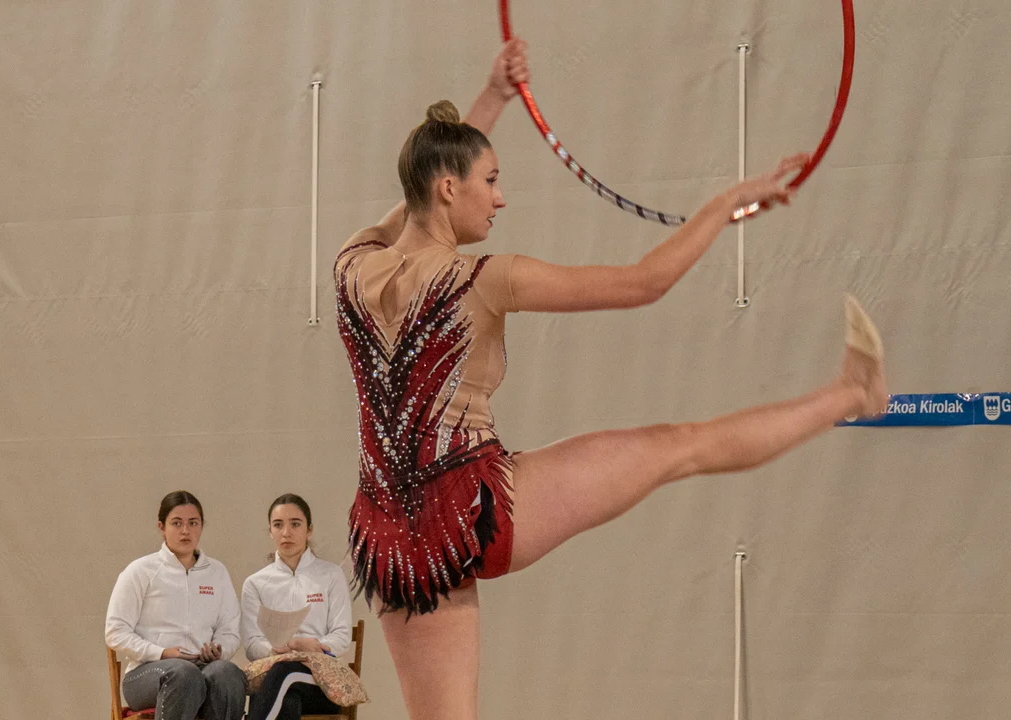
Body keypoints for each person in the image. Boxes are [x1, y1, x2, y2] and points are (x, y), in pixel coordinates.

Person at [333, 38, 889, 720]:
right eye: (491, 180)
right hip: (474, 506)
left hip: (392, 538)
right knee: (679, 446)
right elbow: (643, 283)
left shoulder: (353, 264)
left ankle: (851, 392)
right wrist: (725, 205)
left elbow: (415, 197)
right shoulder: (485, 279)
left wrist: (496, 96)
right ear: (451, 187)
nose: (500, 198)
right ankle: (852, 392)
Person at [104, 491, 245, 720]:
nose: (185, 530)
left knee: (227, 673)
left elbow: (229, 630)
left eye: (193, 523)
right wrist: (162, 653)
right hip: (148, 672)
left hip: (203, 667)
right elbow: (115, 632)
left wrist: (219, 650)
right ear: (162, 527)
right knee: (184, 674)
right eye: (177, 523)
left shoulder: (217, 572)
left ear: (202, 526)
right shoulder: (141, 571)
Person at [242, 494, 353, 720]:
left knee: (284, 672)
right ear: (270, 531)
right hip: (276, 674)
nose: (286, 532)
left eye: (295, 524)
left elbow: (342, 635)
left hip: (322, 682)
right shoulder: (255, 583)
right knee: (287, 702)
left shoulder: (331, 575)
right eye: (278, 525)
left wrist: (314, 647)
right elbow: (252, 644)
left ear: (309, 530)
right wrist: (276, 650)